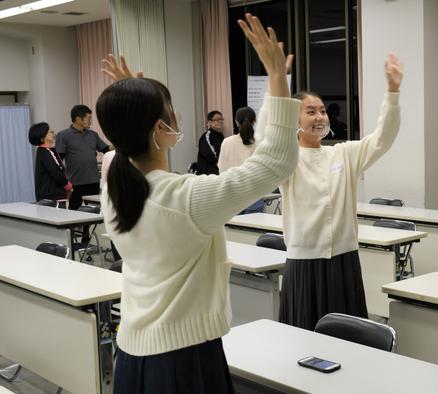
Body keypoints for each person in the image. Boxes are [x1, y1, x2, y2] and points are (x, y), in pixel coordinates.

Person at [99, 14, 298, 393]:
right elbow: (274, 162)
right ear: (160, 129)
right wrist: (277, 77)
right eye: (169, 109)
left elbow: (117, 147)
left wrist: (125, 94)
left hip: (131, 352)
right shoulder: (184, 197)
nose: (176, 116)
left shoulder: (115, 189)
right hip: (182, 358)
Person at [276, 53, 403, 330]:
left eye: (322, 110)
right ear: (293, 118)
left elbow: (383, 138)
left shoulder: (343, 154)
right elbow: (271, 141)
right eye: (310, 111)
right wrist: (279, 83)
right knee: (305, 340)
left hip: (344, 261)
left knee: (346, 341)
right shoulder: (287, 159)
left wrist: (392, 93)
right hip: (305, 264)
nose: (320, 116)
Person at [55, 105, 112, 210]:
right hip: (75, 183)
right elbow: (58, 161)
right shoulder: (63, 135)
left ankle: (87, 228)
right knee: (75, 211)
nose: (91, 122)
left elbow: (106, 149)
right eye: (89, 119)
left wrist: (121, 142)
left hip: (93, 181)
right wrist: (63, 182)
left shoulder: (93, 135)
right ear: (78, 119)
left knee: (93, 211)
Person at [218, 106, 265, 214]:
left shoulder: (226, 142)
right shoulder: (259, 143)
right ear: (254, 121)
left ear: (236, 122)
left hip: (230, 193)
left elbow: (221, 169)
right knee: (254, 229)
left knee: (232, 230)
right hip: (253, 194)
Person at [28, 122, 72, 203]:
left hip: (51, 197)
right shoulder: (45, 152)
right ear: (43, 137)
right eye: (50, 132)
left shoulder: (46, 151)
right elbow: (56, 173)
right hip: (52, 198)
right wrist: (68, 186)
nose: (53, 133)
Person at [197, 111, 225, 175]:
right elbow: (210, 156)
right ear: (210, 122)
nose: (220, 121)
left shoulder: (221, 135)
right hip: (207, 174)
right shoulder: (206, 136)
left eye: (221, 119)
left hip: (218, 171)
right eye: (217, 119)